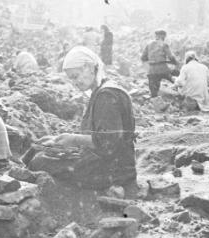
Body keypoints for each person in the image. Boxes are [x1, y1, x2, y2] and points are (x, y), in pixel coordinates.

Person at [24, 46, 138, 195]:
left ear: (90, 67)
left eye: (76, 76)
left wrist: (74, 139)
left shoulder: (106, 95)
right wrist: (60, 141)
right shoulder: (102, 91)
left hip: (113, 170)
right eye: (71, 78)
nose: (75, 82)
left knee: (39, 161)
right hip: (111, 163)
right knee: (40, 152)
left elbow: (108, 142)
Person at [141, 29, 179, 98]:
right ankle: (183, 93)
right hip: (163, 69)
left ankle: (154, 101)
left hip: (152, 70)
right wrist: (175, 63)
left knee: (153, 91)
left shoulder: (149, 44)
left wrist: (151, 60)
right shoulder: (164, 44)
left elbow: (143, 58)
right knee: (176, 78)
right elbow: (171, 57)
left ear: (156, 36)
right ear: (163, 36)